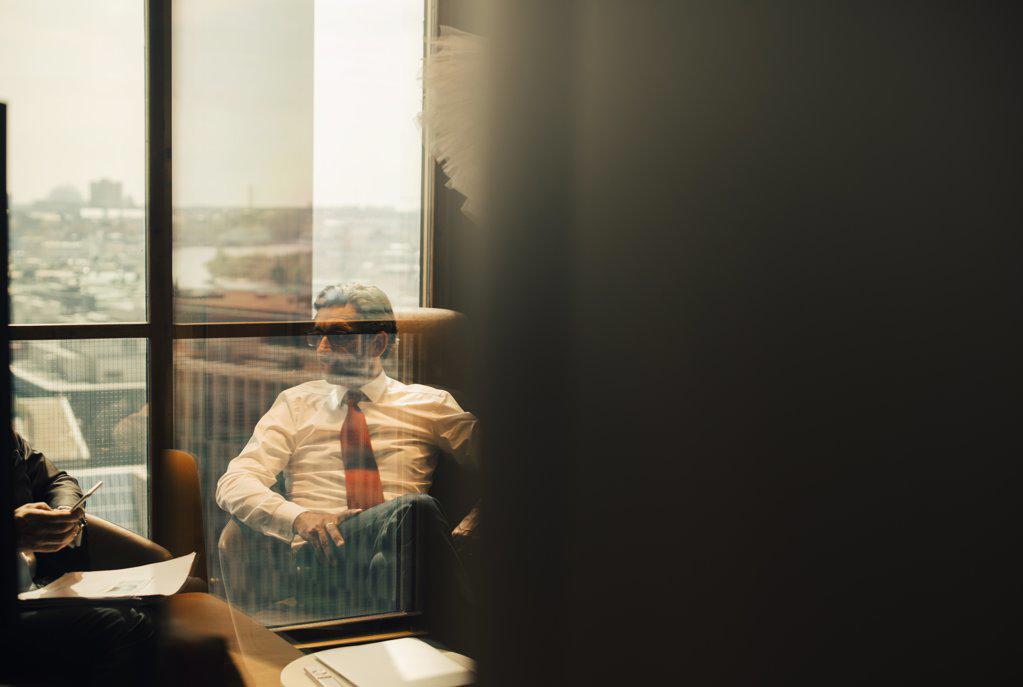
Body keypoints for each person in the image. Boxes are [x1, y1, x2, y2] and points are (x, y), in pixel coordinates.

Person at [215, 283, 479, 629]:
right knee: (418, 510)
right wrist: (299, 517)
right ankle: (471, 641)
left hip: (401, 558)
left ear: (378, 342)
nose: (322, 349)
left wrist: (478, 518)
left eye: (338, 336)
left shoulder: (428, 403)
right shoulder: (296, 404)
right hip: (321, 562)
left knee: (414, 516)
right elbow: (234, 483)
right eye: (317, 335)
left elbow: (517, 465)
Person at [10, 430, 155, 685]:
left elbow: (58, 481)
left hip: (34, 584)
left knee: (145, 605)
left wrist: (64, 512)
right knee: (123, 624)